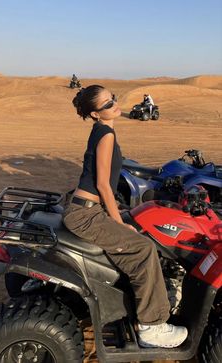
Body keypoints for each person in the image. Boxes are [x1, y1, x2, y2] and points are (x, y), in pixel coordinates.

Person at [63, 85, 188, 348]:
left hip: (88, 208)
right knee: (142, 249)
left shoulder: (102, 130)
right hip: (86, 214)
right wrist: (119, 222)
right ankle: (151, 327)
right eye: (107, 104)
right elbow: (104, 186)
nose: (114, 105)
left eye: (114, 99)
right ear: (96, 114)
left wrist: (119, 214)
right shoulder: (105, 133)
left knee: (140, 226)